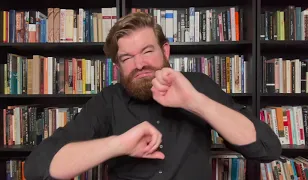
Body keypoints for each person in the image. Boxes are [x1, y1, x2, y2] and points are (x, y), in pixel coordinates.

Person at [24, 12, 281, 180]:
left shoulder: (198, 85)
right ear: (118, 66)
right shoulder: (107, 101)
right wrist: (119, 144)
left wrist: (194, 102)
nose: (139, 64)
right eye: (127, 58)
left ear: (165, 50)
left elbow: (267, 149)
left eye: (147, 51)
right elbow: (38, 169)